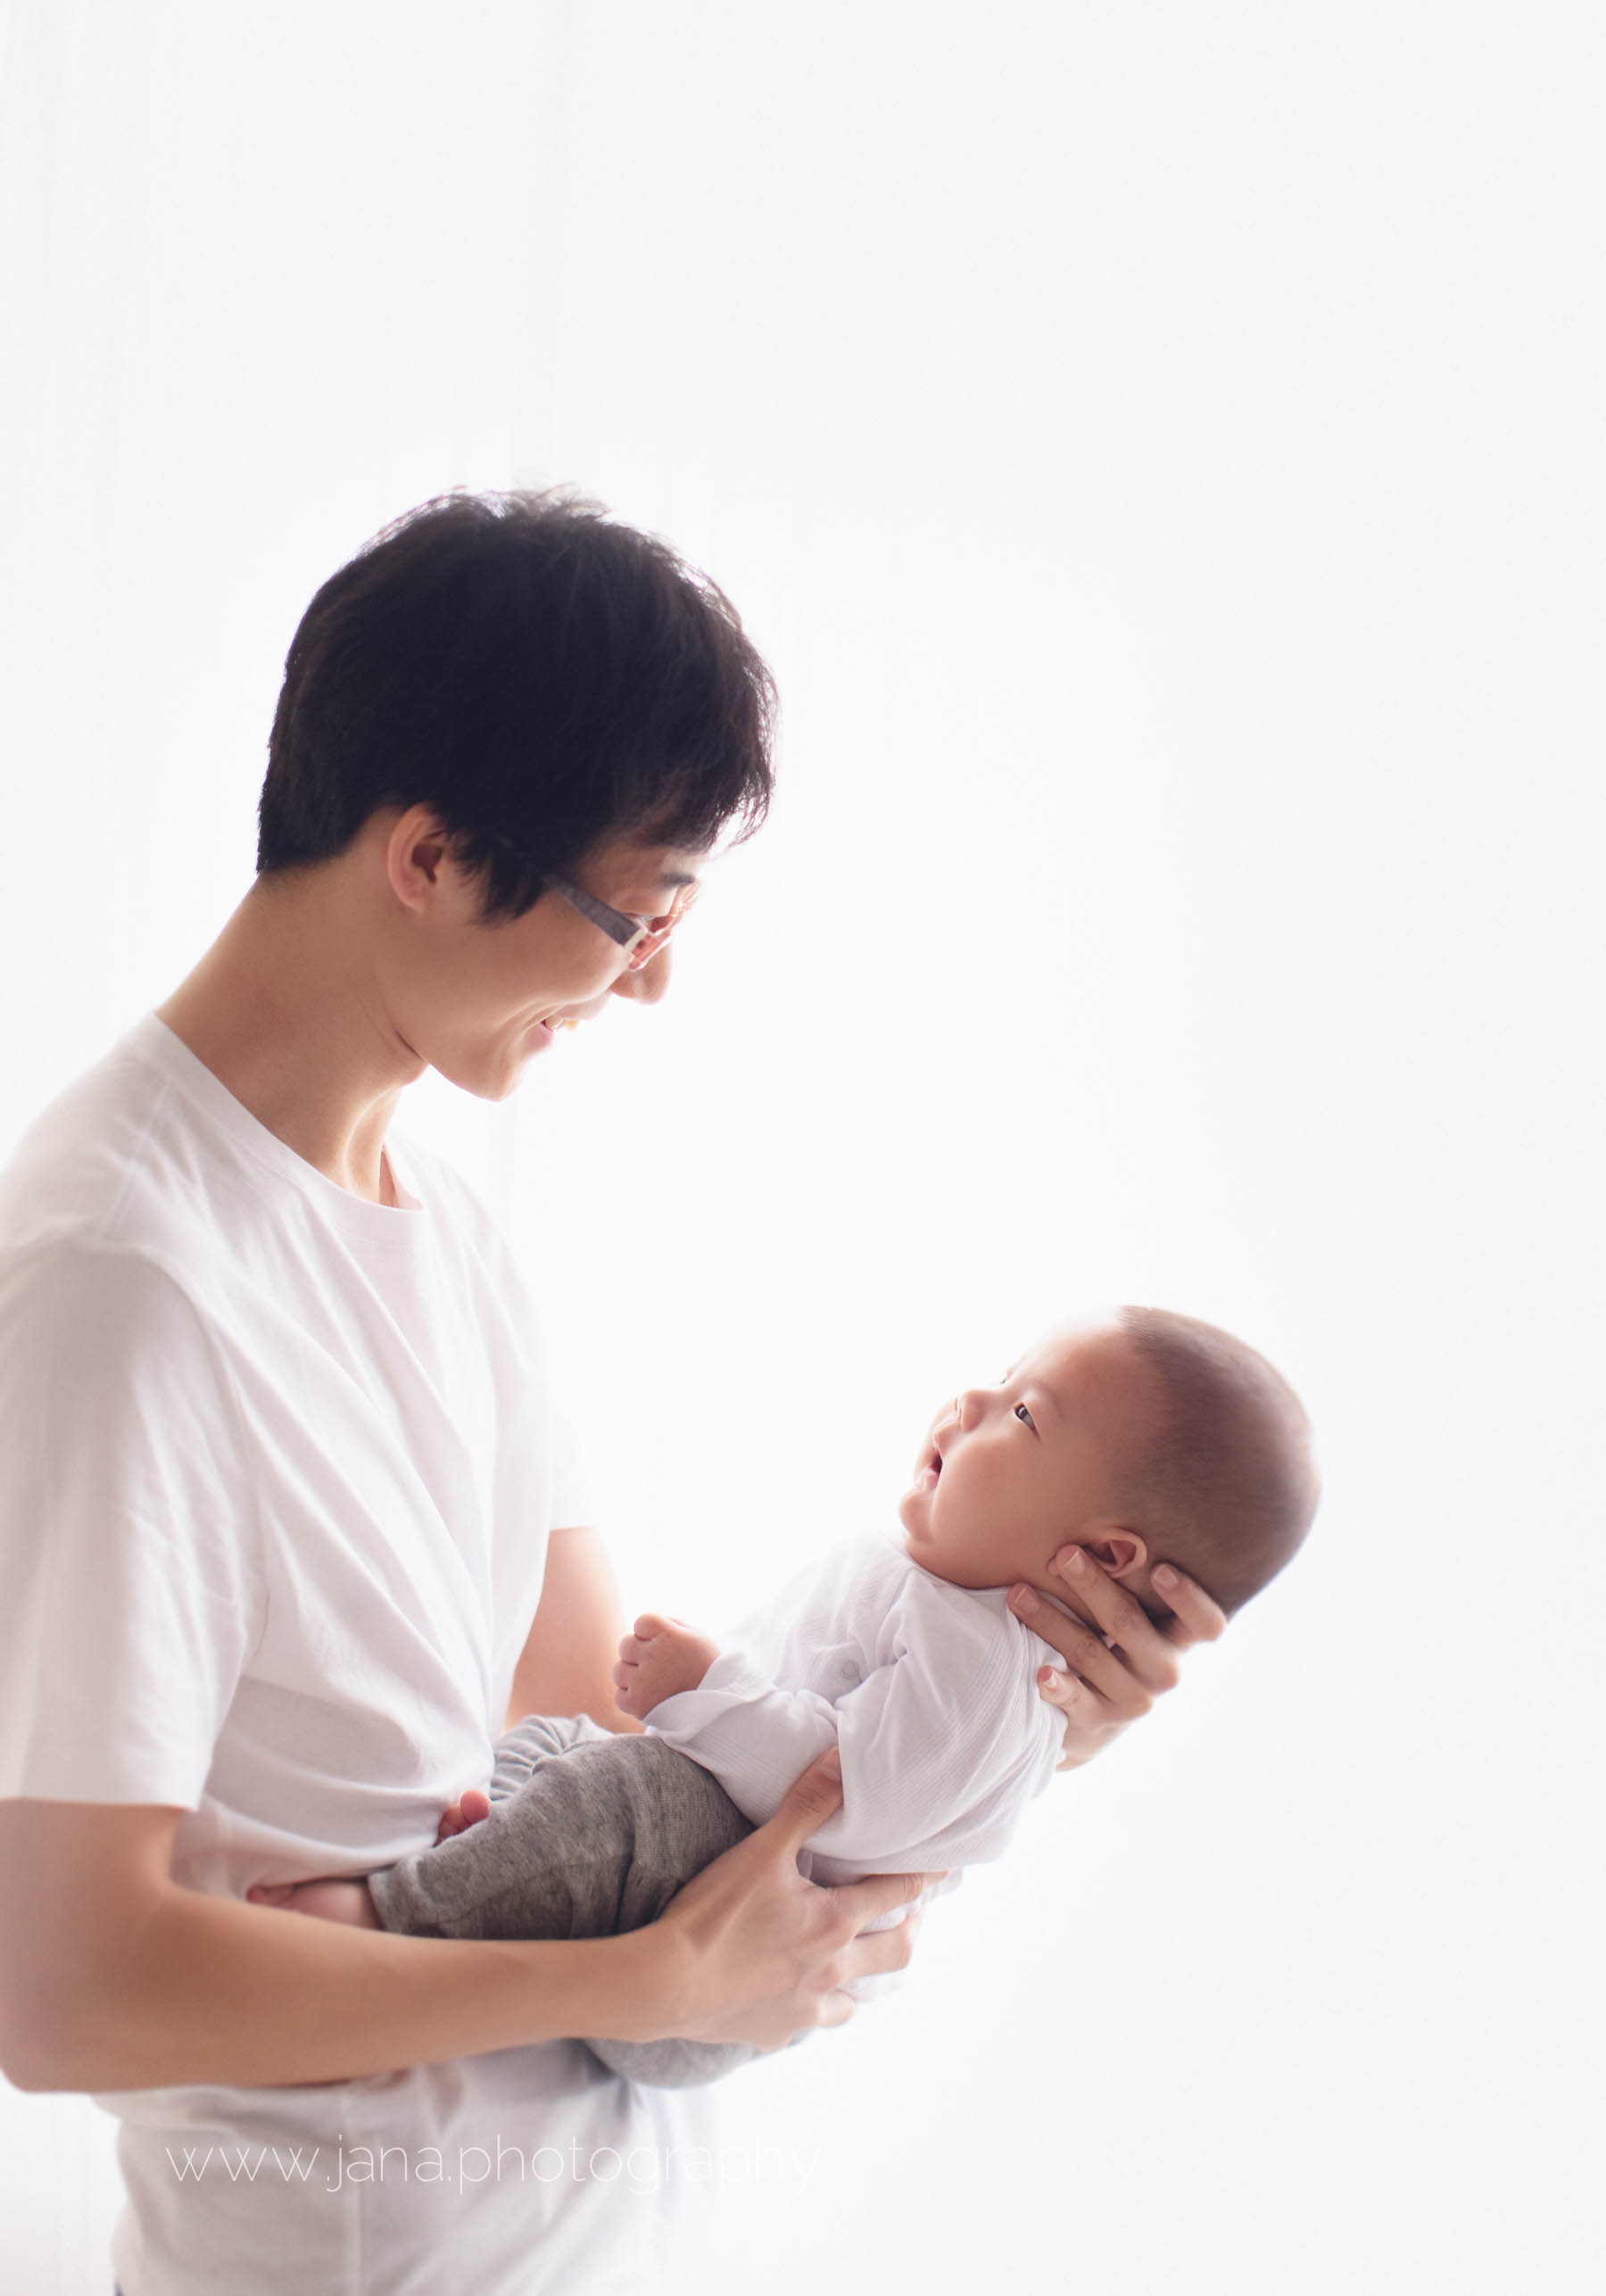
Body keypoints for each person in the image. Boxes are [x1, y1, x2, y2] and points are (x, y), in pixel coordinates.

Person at [0, 490, 1228, 2296]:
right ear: (427, 856)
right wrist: (630, 1987)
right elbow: (66, 1990)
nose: (653, 982)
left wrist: (1013, 1734)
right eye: (638, 912)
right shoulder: (119, 1283)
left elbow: (637, 1792)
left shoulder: (446, 1236)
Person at [250, 1305, 1312, 2088]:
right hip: (704, 1909)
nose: (969, 1403)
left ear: (1101, 1554)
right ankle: (498, 1838)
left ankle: (389, 1918)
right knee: (580, 1762)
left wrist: (707, 1691)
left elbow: (841, 1790)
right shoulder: (944, 1599)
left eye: (1022, 1414)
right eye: (998, 1380)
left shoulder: (993, 1667)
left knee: (615, 1798)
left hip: (735, 1919)